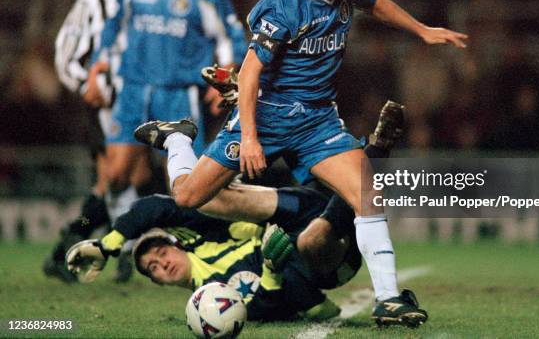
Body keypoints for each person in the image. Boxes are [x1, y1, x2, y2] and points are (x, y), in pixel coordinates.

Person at [138, 0, 467, 326]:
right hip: (266, 115)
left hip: (316, 122)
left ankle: (389, 300)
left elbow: (375, 2)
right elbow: (251, 73)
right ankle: (177, 140)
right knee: (188, 197)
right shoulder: (286, 0)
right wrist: (253, 140)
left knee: (367, 194)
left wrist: (421, 30)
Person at [66, 102, 417, 322]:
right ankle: (375, 152)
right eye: (154, 268)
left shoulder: (203, 236)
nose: (162, 262)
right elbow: (291, 300)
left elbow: (153, 207)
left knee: (204, 198)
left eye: (160, 252)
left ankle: (179, 139)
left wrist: (106, 245)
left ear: (176, 243)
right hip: (324, 260)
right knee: (312, 240)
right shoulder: (215, 290)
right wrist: (271, 271)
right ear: (158, 282)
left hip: (292, 210)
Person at [86, 0, 247, 218]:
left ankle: (190, 240)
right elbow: (113, 30)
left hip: (178, 94)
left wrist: (225, 81)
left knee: (187, 181)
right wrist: (97, 68)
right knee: (116, 175)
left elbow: (230, 39)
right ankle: (127, 246)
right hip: (133, 89)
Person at [45, 0, 152, 283]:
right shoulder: (95, 0)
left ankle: (103, 247)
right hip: (107, 104)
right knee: (114, 180)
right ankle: (82, 248)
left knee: (135, 178)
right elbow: (66, 47)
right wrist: (83, 85)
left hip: (140, 102)